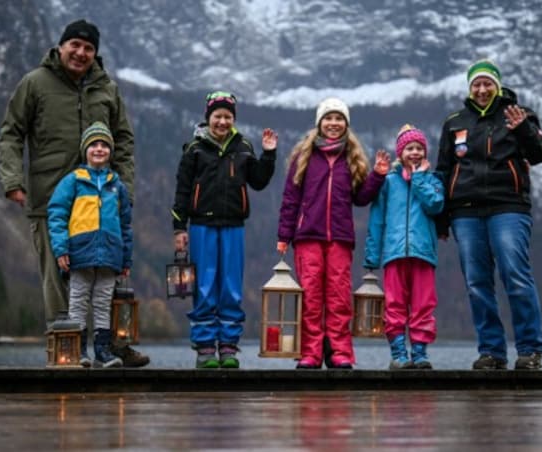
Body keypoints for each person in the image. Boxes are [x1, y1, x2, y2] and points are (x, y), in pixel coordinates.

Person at [0, 19, 149, 367]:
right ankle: (64, 353)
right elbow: (11, 133)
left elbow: (123, 140)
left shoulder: (107, 89)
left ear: (95, 53)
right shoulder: (34, 83)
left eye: (88, 48)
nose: (80, 53)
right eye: (75, 46)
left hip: (102, 201)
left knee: (107, 272)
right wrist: (12, 180)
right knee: (57, 277)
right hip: (50, 199)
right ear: (61, 46)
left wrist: (123, 187)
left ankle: (115, 349)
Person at [436, 59, 542, 370]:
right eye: (477, 84)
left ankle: (529, 350)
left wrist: (524, 129)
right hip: (465, 212)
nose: (483, 89)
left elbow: (540, 153)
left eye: (488, 84)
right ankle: (492, 352)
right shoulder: (454, 122)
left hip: (508, 207)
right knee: (476, 283)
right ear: (470, 88)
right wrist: (442, 219)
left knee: (515, 275)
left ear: (497, 86)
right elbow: (444, 171)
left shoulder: (518, 115)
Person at [277, 97, 390, 370]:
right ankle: (311, 353)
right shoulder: (304, 158)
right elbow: (290, 199)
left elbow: (361, 198)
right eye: (328, 118)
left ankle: (340, 353)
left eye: (339, 119)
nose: (333, 123)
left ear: (346, 125)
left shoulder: (351, 158)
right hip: (307, 237)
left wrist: (376, 175)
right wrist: (284, 235)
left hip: (340, 238)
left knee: (339, 298)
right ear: (319, 123)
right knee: (311, 298)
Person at [172, 91, 277, 369]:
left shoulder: (243, 147)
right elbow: (182, 190)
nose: (222, 121)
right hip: (201, 226)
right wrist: (179, 227)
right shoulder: (194, 149)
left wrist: (268, 155)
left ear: (234, 119)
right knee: (205, 286)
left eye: (227, 117)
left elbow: (258, 181)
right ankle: (205, 347)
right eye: (217, 116)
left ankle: (229, 347)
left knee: (231, 286)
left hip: (234, 226)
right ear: (208, 118)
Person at [47, 122, 132, 368]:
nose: (99, 149)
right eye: (94, 144)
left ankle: (102, 352)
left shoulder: (117, 186)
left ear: (110, 151)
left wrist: (126, 259)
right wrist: (61, 248)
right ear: (85, 150)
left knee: (103, 302)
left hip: (110, 255)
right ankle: (79, 350)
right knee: (78, 300)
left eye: (104, 145)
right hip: (79, 252)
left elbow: (126, 225)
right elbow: (57, 214)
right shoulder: (72, 181)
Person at [364, 125, 444, 370]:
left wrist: (419, 179)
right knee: (395, 304)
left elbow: (436, 206)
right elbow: (377, 220)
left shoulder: (432, 180)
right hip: (394, 254)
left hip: (423, 254)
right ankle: (399, 353)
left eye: (420, 148)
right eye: (409, 148)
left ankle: (419, 353)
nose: (415, 152)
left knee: (423, 304)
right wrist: (372, 256)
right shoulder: (388, 183)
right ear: (400, 153)